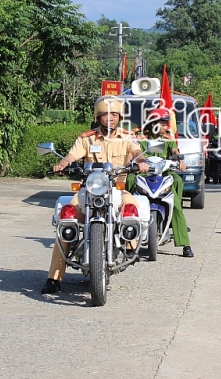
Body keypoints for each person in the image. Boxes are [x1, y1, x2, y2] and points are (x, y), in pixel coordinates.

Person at [41, 97, 150, 294]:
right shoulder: (87, 138)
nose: (110, 118)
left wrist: (142, 162)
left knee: (131, 204)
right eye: (106, 114)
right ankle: (53, 278)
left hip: (117, 188)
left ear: (120, 117)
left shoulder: (127, 137)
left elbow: (137, 152)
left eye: (114, 115)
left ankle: (131, 245)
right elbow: (72, 155)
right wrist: (62, 164)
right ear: (98, 116)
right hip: (89, 189)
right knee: (67, 217)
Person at [126, 107, 194, 257]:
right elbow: (134, 152)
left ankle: (185, 243)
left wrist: (180, 160)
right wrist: (135, 164)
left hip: (163, 173)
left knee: (176, 185)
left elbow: (175, 151)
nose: (165, 127)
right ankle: (127, 219)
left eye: (165, 124)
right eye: (161, 124)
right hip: (143, 174)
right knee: (130, 179)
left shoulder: (168, 138)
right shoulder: (141, 137)